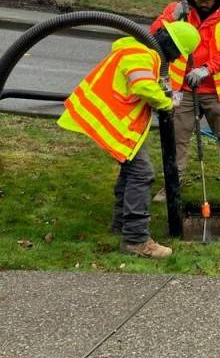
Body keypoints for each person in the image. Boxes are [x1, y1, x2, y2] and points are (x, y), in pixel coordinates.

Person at [58, 21, 200, 259]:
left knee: (131, 170)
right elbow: (142, 86)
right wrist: (167, 102)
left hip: (115, 121)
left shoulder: (141, 50)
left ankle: (120, 224)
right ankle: (136, 240)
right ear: (170, 45)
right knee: (142, 174)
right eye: (176, 55)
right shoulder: (140, 53)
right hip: (110, 120)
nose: (174, 61)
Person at [151, 0, 220, 196]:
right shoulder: (178, 12)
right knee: (176, 137)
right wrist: (170, 18)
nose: (203, 3)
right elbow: (153, 38)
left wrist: (206, 70)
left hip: (218, 90)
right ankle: (173, 182)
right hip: (182, 90)